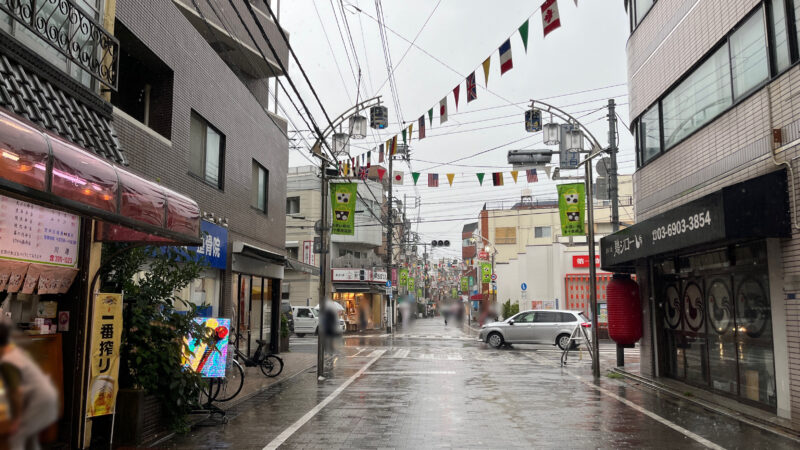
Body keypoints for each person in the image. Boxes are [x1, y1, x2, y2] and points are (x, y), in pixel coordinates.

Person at [0, 321, 58, 450]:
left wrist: (16, 419)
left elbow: (16, 392)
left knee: (17, 437)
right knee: (30, 438)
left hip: (40, 401)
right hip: (46, 398)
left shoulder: (8, 361)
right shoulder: (14, 350)